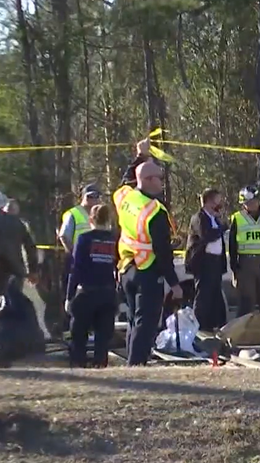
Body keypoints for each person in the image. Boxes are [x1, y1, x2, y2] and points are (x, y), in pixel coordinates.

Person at [114, 138, 182, 366]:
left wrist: (140, 155)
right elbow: (162, 252)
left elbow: (126, 179)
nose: (162, 183)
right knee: (146, 323)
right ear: (149, 180)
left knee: (134, 321)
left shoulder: (124, 197)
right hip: (147, 271)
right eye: (159, 179)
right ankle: (136, 366)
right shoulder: (154, 212)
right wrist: (174, 283)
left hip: (126, 269)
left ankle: (132, 362)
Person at [65, 204, 119, 368]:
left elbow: (76, 269)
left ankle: (78, 364)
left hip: (87, 292)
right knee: (103, 336)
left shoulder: (84, 239)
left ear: (90, 220)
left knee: (79, 333)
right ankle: (100, 365)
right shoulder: (114, 239)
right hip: (108, 293)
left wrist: (69, 296)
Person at [228, 185, 260, 317]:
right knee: (246, 302)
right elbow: (232, 245)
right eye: (248, 202)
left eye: (254, 201)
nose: (252, 204)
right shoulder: (237, 219)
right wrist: (234, 268)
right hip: (245, 264)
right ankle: (243, 334)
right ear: (243, 203)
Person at [58, 185, 102, 325]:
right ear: (82, 197)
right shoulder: (74, 213)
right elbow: (64, 235)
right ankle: (74, 326)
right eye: (89, 196)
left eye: (96, 196)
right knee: (75, 296)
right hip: (78, 261)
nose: (93, 199)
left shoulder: (98, 214)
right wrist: (73, 254)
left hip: (96, 261)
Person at [186, 189, 229, 332]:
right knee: (203, 295)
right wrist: (222, 228)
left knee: (215, 294)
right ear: (208, 202)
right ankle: (200, 326)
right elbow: (207, 236)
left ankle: (216, 324)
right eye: (216, 201)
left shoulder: (214, 219)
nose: (219, 205)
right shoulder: (199, 218)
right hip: (203, 263)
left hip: (215, 262)